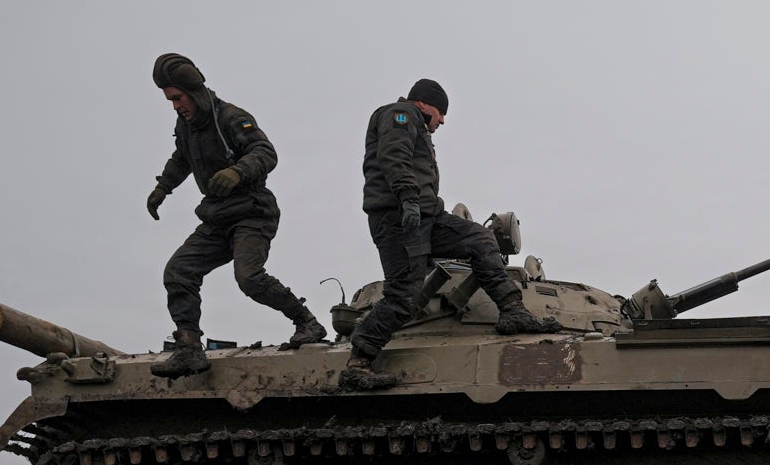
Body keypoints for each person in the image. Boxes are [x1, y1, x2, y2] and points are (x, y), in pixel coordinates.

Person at [340, 78, 559, 391]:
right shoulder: (399, 115)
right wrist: (407, 198)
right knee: (404, 295)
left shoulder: (417, 126)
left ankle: (513, 312)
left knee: (479, 239)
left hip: (428, 216)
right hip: (400, 217)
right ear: (424, 104)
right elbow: (394, 154)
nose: (442, 120)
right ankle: (359, 361)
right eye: (440, 112)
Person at [146, 52, 325, 380]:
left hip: (252, 213)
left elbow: (265, 152)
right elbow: (181, 159)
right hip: (217, 218)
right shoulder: (186, 126)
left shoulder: (230, 118)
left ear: (194, 91)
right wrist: (162, 188)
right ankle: (189, 349)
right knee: (179, 270)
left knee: (249, 277)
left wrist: (238, 172)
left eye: (177, 98)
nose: (175, 106)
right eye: (170, 100)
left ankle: (307, 322)